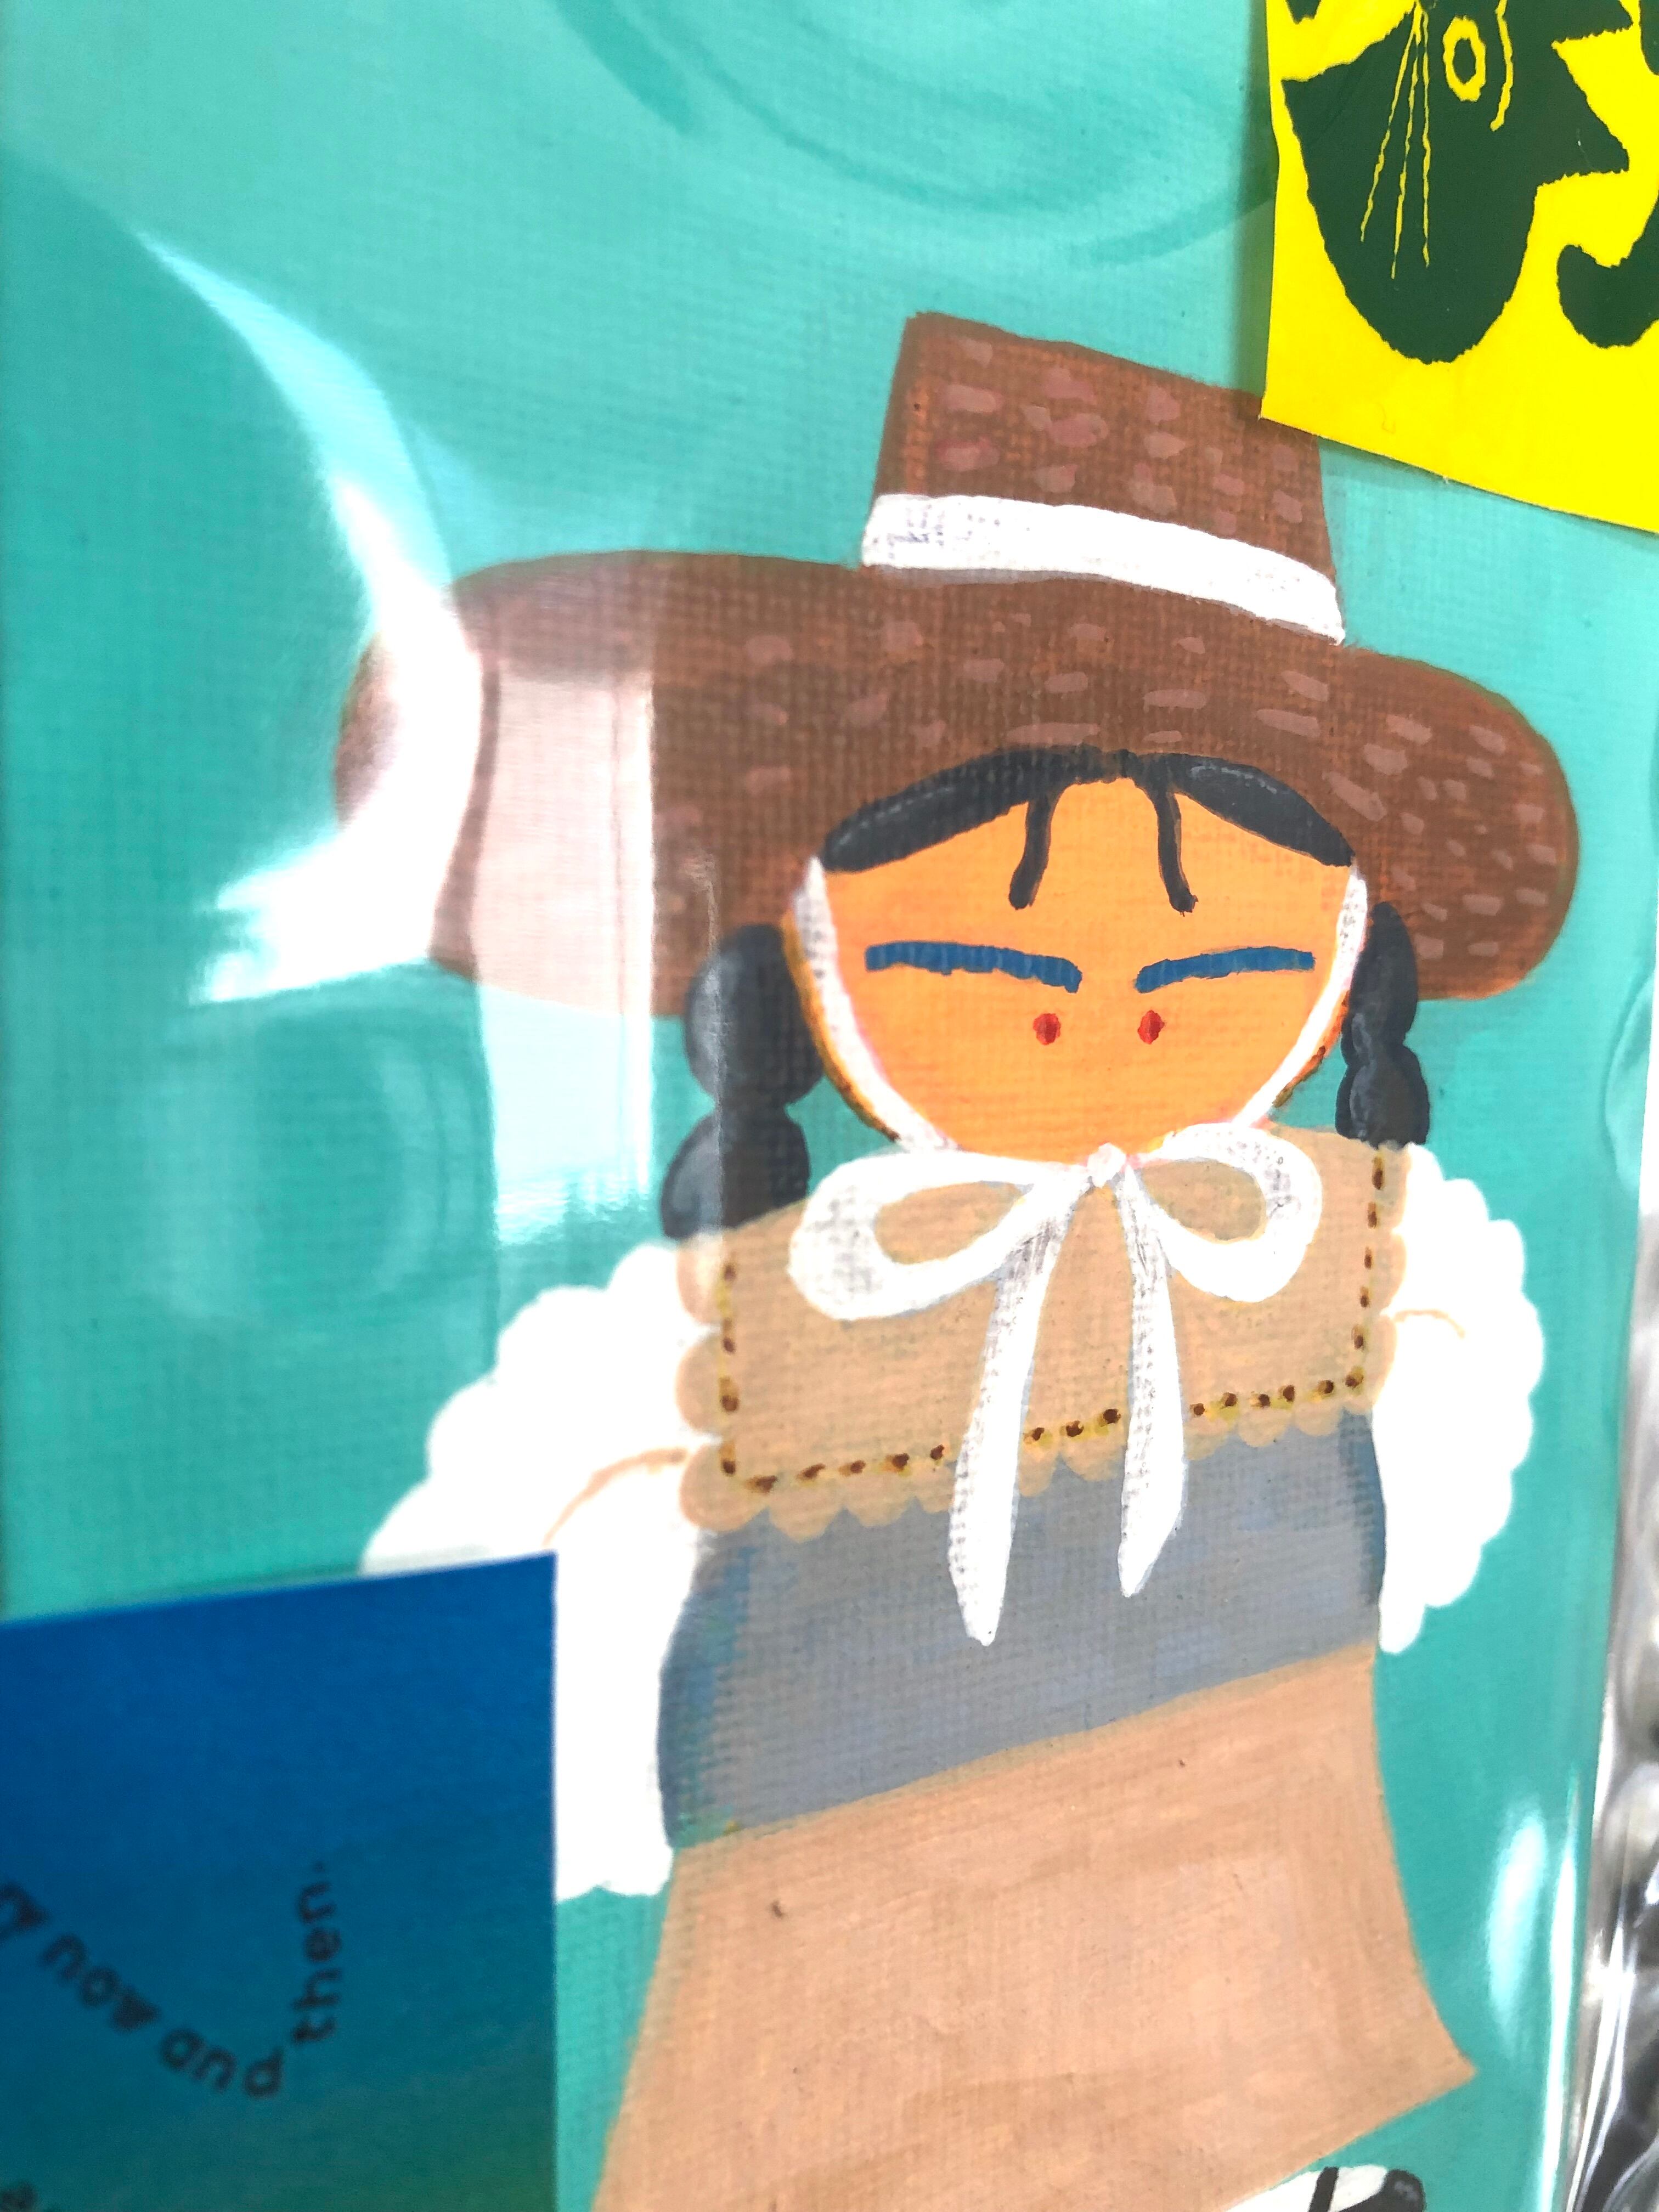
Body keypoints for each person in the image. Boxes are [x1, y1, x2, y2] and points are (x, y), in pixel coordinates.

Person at [357, 314, 1572, 2212]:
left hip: (1248, 1974)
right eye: (988, 968)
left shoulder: (1347, 1258)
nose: (1118, 1017)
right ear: (811, 940)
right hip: (846, 2022)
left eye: (1215, 973)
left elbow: (1449, 1481)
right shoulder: (752, 1336)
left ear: (1344, 958)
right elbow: (532, 1649)